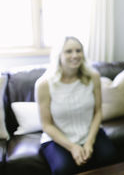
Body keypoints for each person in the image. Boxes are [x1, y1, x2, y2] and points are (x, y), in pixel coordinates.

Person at [35, 36, 117, 174]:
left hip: (89, 134)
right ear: (59, 55)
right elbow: (46, 125)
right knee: (63, 169)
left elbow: (98, 112)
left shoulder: (93, 77)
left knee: (109, 157)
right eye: (68, 51)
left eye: (78, 51)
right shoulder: (44, 84)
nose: (75, 55)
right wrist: (73, 147)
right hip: (58, 139)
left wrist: (89, 142)